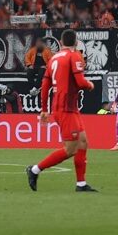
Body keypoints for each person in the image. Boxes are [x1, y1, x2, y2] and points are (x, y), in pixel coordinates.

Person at [26, 29, 96, 193]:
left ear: (61, 42)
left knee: (83, 141)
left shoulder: (53, 58)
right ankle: (35, 170)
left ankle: (81, 184)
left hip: (62, 106)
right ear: (76, 41)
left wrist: (44, 109)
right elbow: (80, 81)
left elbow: (45, 85)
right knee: (71, 149)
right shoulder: (75, 55)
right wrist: (89, 85)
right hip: (66, 108)